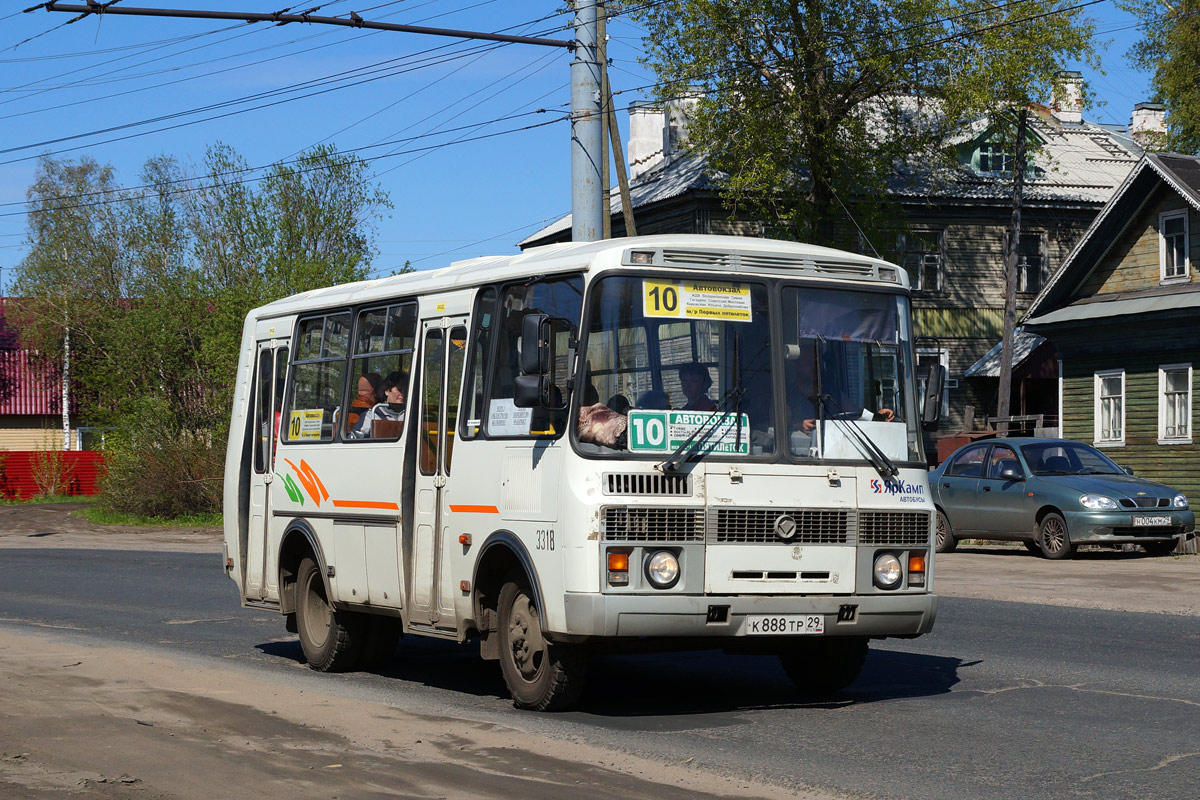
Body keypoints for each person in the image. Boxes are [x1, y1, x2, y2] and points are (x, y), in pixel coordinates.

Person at [353, 371, 406, 438]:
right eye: (399, 390)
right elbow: (355, 439)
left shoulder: (413, 415)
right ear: (387, 391)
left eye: (406, 390)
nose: (403, 393)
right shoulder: (372, 414)